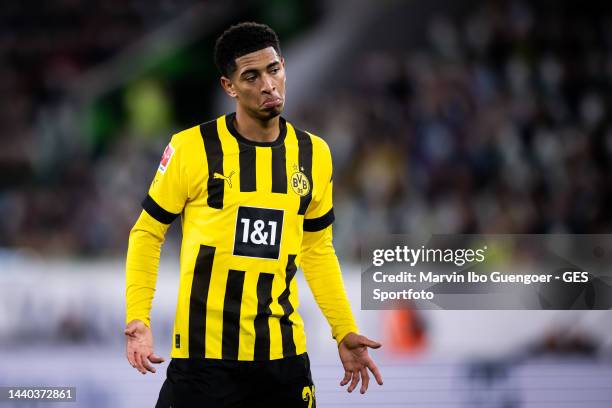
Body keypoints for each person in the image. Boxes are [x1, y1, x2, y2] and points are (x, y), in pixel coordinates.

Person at [124, 21, 383, 407]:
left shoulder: (314, 154)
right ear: (229, 86)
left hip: (282, 360)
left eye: (274, 69)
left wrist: (343, 329)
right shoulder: (192, 148)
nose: (268, 84)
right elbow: (147, 232)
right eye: (251, 76)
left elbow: (316, 248)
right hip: (204, 362)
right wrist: (138, 320)